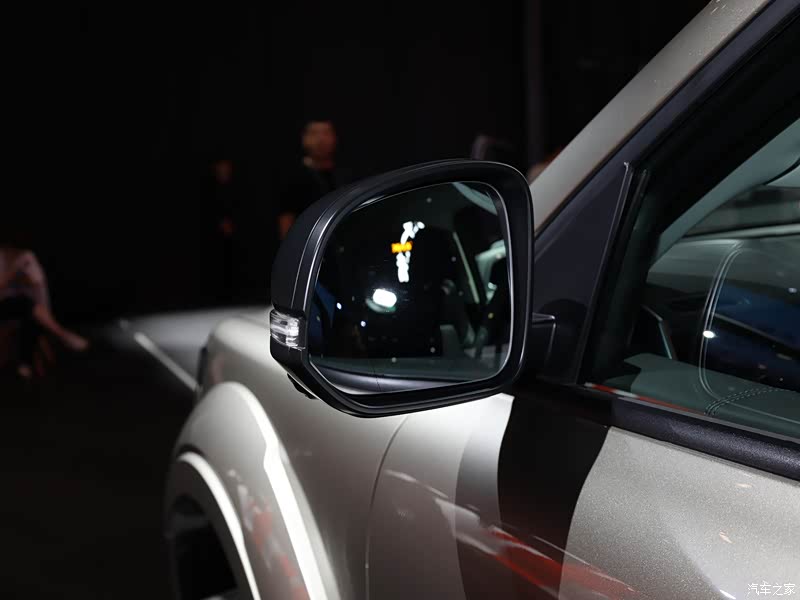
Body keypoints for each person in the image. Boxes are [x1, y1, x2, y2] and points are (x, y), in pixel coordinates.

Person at [0, 247, 88, 378]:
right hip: (8, 306)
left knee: (31, 313)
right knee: (24, 304)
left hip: (17, 306)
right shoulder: (11, 262)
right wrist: (15, 268)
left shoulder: (22, 258)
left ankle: (25, 364)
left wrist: (30, 278)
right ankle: (63, 335)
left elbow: (38, 291)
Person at [279, 120, 339, 239]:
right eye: (314, 133)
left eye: (326, 133)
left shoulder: (345, 175)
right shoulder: (293, 177)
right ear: (304, 139)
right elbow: (286, 220)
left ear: (334, 138)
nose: (321, 139)